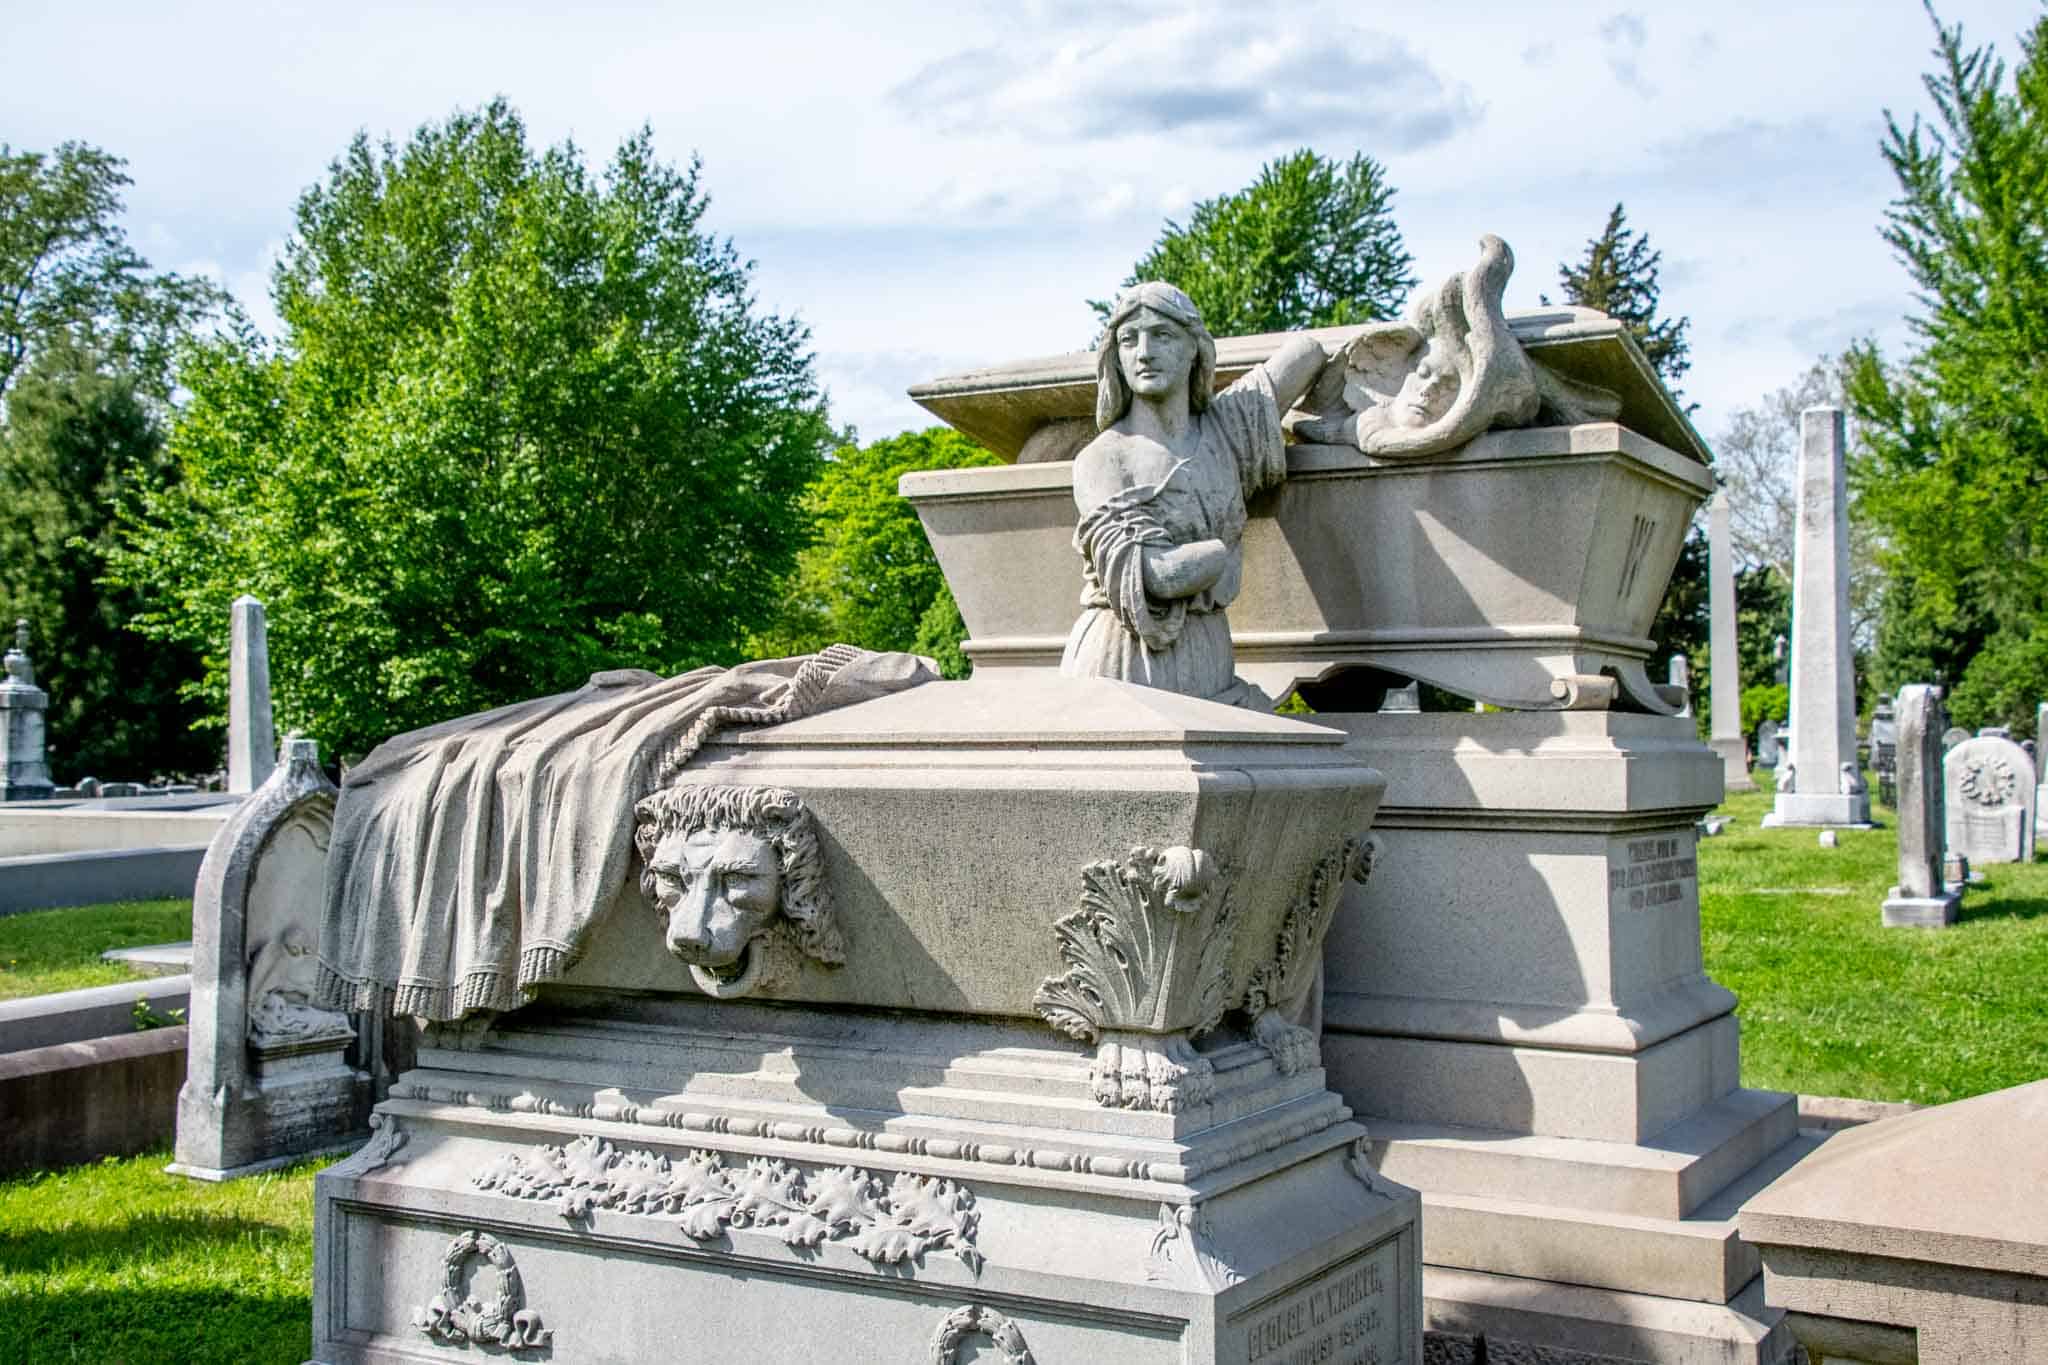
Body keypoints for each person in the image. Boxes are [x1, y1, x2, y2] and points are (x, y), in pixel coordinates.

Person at [1060, 283, 1323, 705]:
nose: (1144, 352)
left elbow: (1307, 352)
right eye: (1129, 340)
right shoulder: (1103, 459)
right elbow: (1154, 576)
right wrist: (1217, 555)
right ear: (1116, 358)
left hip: (1208, 652)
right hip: (1129, 658)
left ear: (1195, 350)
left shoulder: (1226, 430)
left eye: (1162, 335)